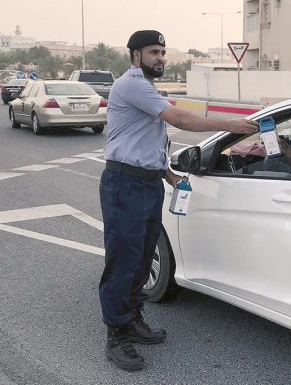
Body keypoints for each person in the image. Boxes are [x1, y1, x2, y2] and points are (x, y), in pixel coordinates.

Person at [99, 29, 258, 371]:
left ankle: (133, 317)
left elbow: (148, 141)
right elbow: (181, 119)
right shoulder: (132, 84)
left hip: (147, 184)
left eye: (163, 52)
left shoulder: (148, 88)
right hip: (123, 185)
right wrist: (232, 124)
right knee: (123, 261)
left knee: (142, 259)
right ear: (135, 55)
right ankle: (117, 333)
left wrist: (169, 175)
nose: (160, 58)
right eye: (153, 52)